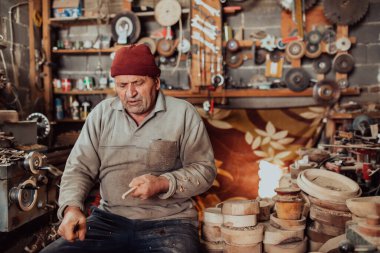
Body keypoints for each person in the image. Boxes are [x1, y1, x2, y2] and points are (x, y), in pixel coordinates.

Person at [41, 44, 216, 253]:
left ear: (156, 82)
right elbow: (79, 168)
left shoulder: (183, 113)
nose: (130, 93)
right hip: (109, 220)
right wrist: (71, 208)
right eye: (122, 85)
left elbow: (205, 170)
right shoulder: (101, 115)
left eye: (138, 83)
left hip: (170, 222)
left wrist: (162, 182)